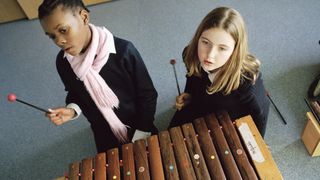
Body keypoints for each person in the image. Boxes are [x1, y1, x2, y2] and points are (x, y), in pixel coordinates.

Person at [38, 0, 158, 153]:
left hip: (140, 123)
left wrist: (143, 129)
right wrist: (72, 110)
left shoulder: (124, 51)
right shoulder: (63, 63)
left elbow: (147, 94)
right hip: (103, 131)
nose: (59, 41)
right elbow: (75, 93)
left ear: (84, 17)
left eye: (63, 30)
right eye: (52, 36)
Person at [169, 7, 270, 137]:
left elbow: (260, 113)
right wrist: (190, 94)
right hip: (200, 105)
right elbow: (192, 78)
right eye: (205, 42)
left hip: (227, 120)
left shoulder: (246, 80)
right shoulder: (190, 55)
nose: (209, 55)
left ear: (235, 50)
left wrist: (258, 141)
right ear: (198, 38)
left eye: (222, 48)